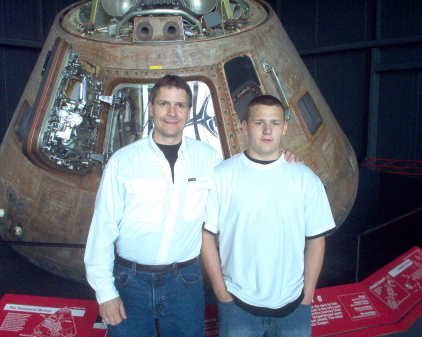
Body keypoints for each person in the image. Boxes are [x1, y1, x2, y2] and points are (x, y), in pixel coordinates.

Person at [84, 75, 297, 337]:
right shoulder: (123, 162)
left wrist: (278, 160)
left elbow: (241, 189)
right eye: (164, 104)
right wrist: (105, 292)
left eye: (180, 105)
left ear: (189, 110)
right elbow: (102, 229)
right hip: (130, 282)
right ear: (151, 108)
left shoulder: (208, 159)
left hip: (184, 283)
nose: (172, 113)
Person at [201, 95, 335, 337]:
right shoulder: (222, 176)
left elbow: (316, 238)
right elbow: (206, 235)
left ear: (284, 128)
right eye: (259, 122)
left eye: (275, 123)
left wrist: (307, 295)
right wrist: (221, 292)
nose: (267, 130)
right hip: (237, 305)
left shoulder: (305, 179)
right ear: (244, 126)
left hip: (293, 305)